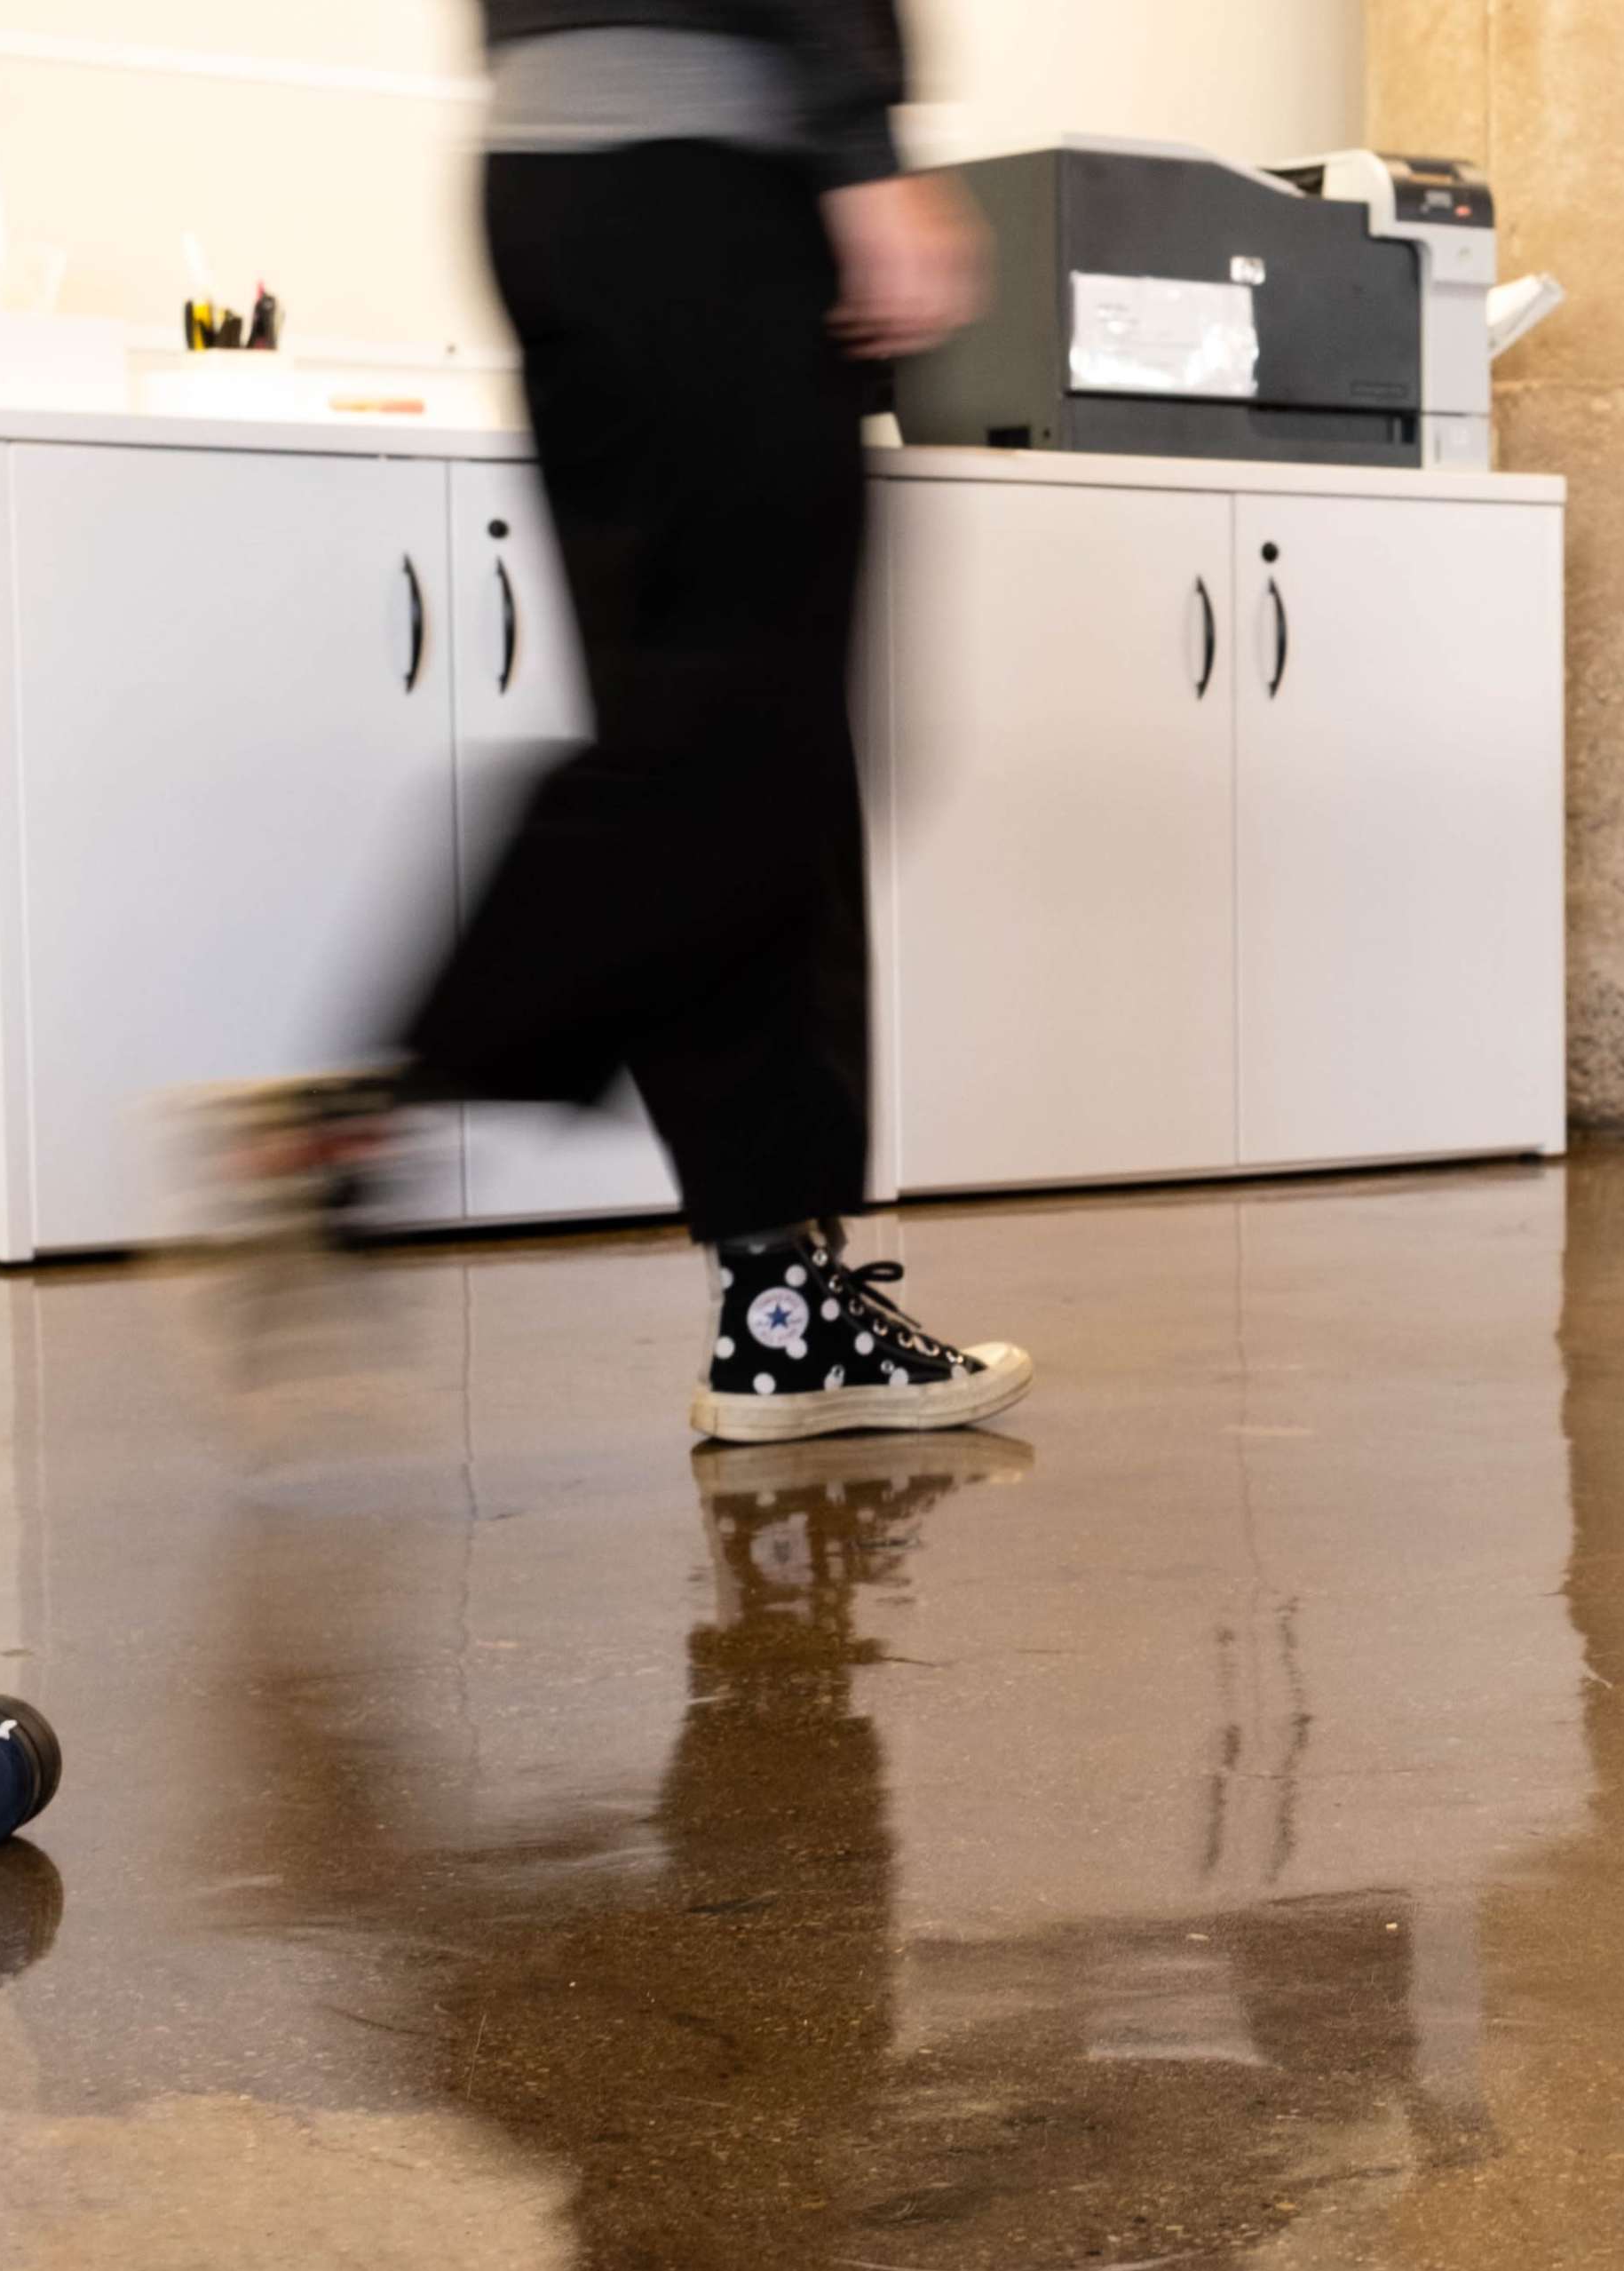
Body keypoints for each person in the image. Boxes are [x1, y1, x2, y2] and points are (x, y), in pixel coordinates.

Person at [234, 0, 1027, 1445]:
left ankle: (778, 1309)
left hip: (553, 178)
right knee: (748, 748)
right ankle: (369, 1098)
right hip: (709, 174)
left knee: (711, 738)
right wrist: (861, 150)